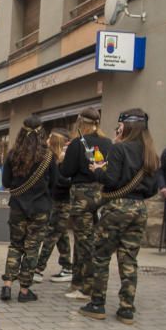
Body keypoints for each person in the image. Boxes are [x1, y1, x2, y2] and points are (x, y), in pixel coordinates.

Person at [79, 109, 159, 323]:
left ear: (127, 126)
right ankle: (126, 308)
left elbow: (111, 181)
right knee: (129, 258)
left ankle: (97, 304)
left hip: (117, 208)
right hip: (139, 209)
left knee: (101, 255)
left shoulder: (119, 149)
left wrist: (97, 169)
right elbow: (153, 188)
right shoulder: (150, 152)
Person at [0, 116, 58, 302]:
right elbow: (55, 184)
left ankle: (7, 285)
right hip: (40, 209)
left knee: (15, 245)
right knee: (32, 249)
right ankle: (24, 291)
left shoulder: (12, 154)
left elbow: (6, 182)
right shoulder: (48, 156)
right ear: (42, 134)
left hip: (17, 207)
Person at [60, 108, 114, 300]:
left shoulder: (77, 143)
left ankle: (85, 287)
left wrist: (62, 161)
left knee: (83, 242)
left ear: (81, 122)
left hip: (82, 196)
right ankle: (79, 282)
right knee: (95, 240)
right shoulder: (108, 143)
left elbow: (66, 171)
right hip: (102, 195)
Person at [36, 128, 73, 281]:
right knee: (61, 234)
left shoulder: (64, 160)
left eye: (50, 138)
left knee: (51, 234)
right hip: (56, 201)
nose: (47, 140)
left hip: (62, 202)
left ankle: (38, 269)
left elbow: (64, 181)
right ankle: (67, 267)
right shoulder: (53, 159)